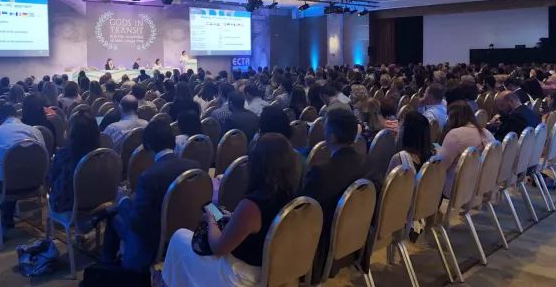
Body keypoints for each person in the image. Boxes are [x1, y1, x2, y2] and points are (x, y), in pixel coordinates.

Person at [162, 133, 299, 286]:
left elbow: (218, 248)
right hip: (270, 269)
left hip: (242, 276)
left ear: (257, 165)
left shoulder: (252, 205)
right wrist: (235, 218)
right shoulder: (293, 196)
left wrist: (211, 219)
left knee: (179, 237)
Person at [101, 119, 200, 272]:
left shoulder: (149, 176)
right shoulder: (194, 166)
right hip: (186, 231)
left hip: (154, 240)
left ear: (147, 145)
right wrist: (220, 217)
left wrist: (123, 201)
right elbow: (206, 204)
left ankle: (108, 266)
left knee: (114, 215)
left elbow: (137, 223)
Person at [300, 107, 371, 284]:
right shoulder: (367, 163)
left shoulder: (322, 173)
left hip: (322, 248)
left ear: (331, 137)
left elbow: (302, 215)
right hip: (357, 237)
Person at [0, 104, 45, 228]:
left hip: (5, 187)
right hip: (34, 183)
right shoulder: (35, 131)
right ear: (17, 115)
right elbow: (44, 157)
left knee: (0, 174)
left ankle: (2, 219)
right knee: (16, 172)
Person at [437, 101, 495, 197]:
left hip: (456, 189)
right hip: (481, 186)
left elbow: (441, 166)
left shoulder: (455, 135)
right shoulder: (488, 133)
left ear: (452, 118)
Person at [49, 108, 100, 213]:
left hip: (70, 205)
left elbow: (52, 180)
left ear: (71, 133)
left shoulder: (64, 155)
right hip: (98, 200)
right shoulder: (103, 154)